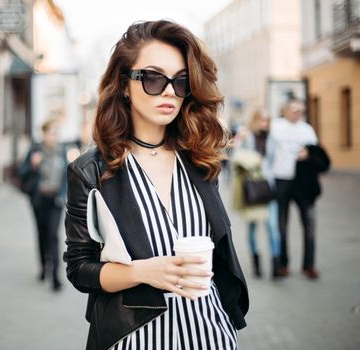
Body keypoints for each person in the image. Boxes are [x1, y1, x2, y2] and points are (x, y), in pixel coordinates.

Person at [63, 20, 248, 350]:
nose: (168, 91)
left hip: (210, 334)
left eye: (180, 81)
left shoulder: (201, 161)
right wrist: (141, 272)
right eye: (152, 77)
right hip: (134, 338)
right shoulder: (90, 171)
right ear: (123, 84)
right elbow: (79, 269)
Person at [267, 99, 321, 279]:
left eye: (300, 110)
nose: (297, 113)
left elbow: (316, 152)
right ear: (286, 110)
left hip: (302, 182)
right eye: (294, 109)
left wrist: (308, 154)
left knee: (309, 224)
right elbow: (269, 153)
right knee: (281, 225)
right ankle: (283, 264)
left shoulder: (307, 129)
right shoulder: (276, 126)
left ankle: (309, 265)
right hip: (281, 180)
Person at [232, 108, 281, 279]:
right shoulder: (246, 136)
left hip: (268, 186)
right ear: (255, 120)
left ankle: (276, 266)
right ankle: (256, 265)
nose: (265, 124)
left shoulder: (272, 138)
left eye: (267, 120)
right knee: (252, 226)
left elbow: (275, 161)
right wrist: (252, 157)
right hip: (251, 187)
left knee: (273, 227)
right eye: (262, 120)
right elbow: (236, 157)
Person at [19, 118, 67, 291]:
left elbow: (67, 176)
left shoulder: (63, 151)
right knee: (41, 234)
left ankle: (55, 277)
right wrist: (33, 165)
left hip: (56, 201)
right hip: (39, 200)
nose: (54, 136)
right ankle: (42, 266)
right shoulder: (35, 150)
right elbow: (21, 171)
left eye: (56, 133)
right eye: (51, 132)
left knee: (53, 235)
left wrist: (64, 195)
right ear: (44, 134)